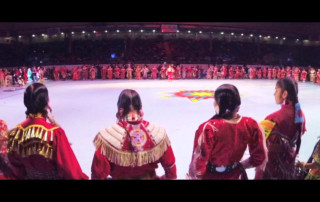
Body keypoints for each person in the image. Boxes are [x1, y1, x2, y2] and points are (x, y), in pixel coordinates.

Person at [6, 83, 88, 180]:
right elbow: (71, 172)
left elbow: (15, 169)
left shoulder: (15, 133)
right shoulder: (55, 134)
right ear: (46, 103)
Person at [91, 89, 177, 180]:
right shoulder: (158, 133)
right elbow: (171, 172)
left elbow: (97, 175)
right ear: (140, 109)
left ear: (120, 110)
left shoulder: (106, 137)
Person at [188, 84, 267, 180]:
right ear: (238, 106)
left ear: (218, 105)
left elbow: (197, 167)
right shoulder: (250, 124)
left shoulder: (208, 128)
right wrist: (240, 166)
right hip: (236, 174)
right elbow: (259, 157)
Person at [257, 77, 306, 179]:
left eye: (276, 90)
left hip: (273, 168)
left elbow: (258, 142)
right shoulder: (301, 115)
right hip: (289, 165)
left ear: (284, 94)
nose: (274, 94)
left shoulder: (273, 118)